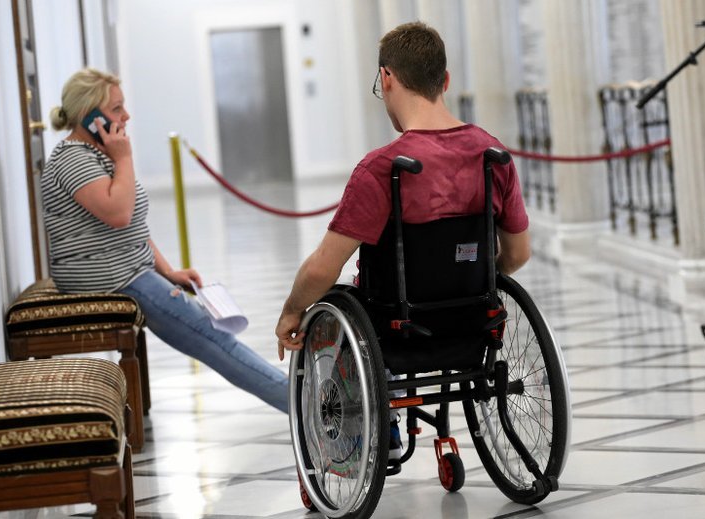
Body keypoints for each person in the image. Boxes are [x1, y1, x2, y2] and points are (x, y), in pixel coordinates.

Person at [275, 22, 530, 464]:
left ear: (387, 78)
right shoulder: (492, 154)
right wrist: (466, 280)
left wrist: (292, 310)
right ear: (444, 81)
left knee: (331, 301)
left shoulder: (383, 169)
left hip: (395, 328)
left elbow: (324, 267)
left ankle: (359, 443)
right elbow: (518, 254)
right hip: (472, 323)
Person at [43, 68, 288, 413]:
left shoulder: (98, 153)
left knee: (214, 333)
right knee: (215, 340)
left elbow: (132, 228)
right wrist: (124, 158)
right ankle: (306, 407)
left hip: (126, 269)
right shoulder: (73, 159)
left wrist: (167, 271)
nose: (126, 116)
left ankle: (301, 402)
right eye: (116, 109)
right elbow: (119, 214)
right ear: (90, 116)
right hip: (108, 278)